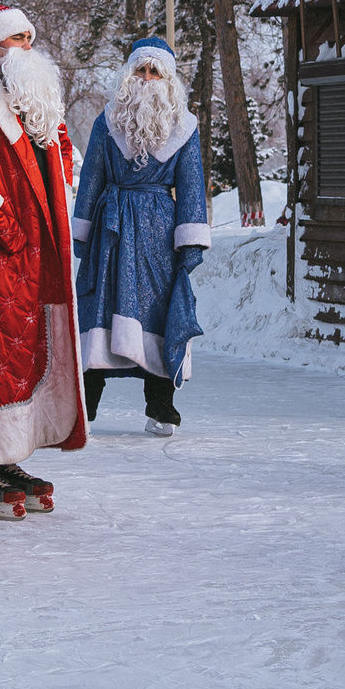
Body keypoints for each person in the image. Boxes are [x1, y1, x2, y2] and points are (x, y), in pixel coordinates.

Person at [0, 2, 86, 516]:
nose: (28, 47)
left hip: (35, 251)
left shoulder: (26, 99)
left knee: (23, 352)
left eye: (30, 37)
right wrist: (2, 225)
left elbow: (58, 158)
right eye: (16, 39)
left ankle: (9, 453)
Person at [72, 35, 210, 437]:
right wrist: (83, 229)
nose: (147, 78)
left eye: (155, 72)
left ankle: (161, 406)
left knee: (158, 313)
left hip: (157, 236)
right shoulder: (107, 120)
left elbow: (190, 185)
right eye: (141, 70)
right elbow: (92, 177)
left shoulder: (184, 128)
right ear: (129, 74)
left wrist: (190, 241)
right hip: (110, 231)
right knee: (99, 309)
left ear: (168, 80)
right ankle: (86, 407)